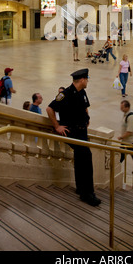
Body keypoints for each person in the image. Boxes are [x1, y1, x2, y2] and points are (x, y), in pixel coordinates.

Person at [46, 68, 101, 207]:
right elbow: (49, 109)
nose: (88, 81)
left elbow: (85, 106)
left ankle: (80, 188)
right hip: (73, 132)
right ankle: (88, 194)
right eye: (87, 79)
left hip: (82, 132)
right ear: (82, 80)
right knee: (86, 159)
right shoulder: (65, 94)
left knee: (80, 158)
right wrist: (57, 126)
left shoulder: (82, 92)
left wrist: (87, 117)